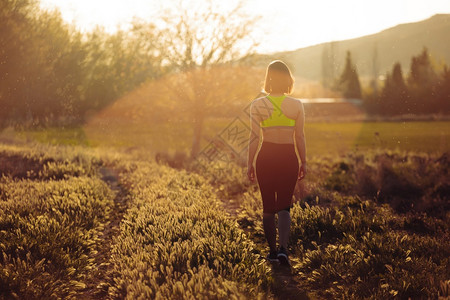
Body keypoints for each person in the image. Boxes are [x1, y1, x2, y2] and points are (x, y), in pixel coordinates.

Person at [247, 60, 307, 266]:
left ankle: (272, 252)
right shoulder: (296, 105)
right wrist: (303, 162)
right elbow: (300, 137)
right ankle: (283, 250)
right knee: (284, 207)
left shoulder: (258, 105)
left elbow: (254, 138)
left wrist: (249, 164)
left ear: (268, 79)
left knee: (267, 208)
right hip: (288, 157)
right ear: (288, 80)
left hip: (266, 157)